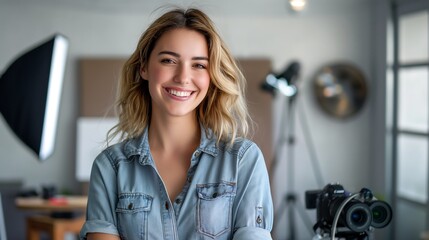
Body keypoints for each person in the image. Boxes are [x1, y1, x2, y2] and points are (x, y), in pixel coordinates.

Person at [80, 7, 273, 240]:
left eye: (199, 65)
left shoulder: (243, 160)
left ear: (211, 76)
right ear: (144, 67)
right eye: (169, 60)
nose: (183, 77)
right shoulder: (110, 167)